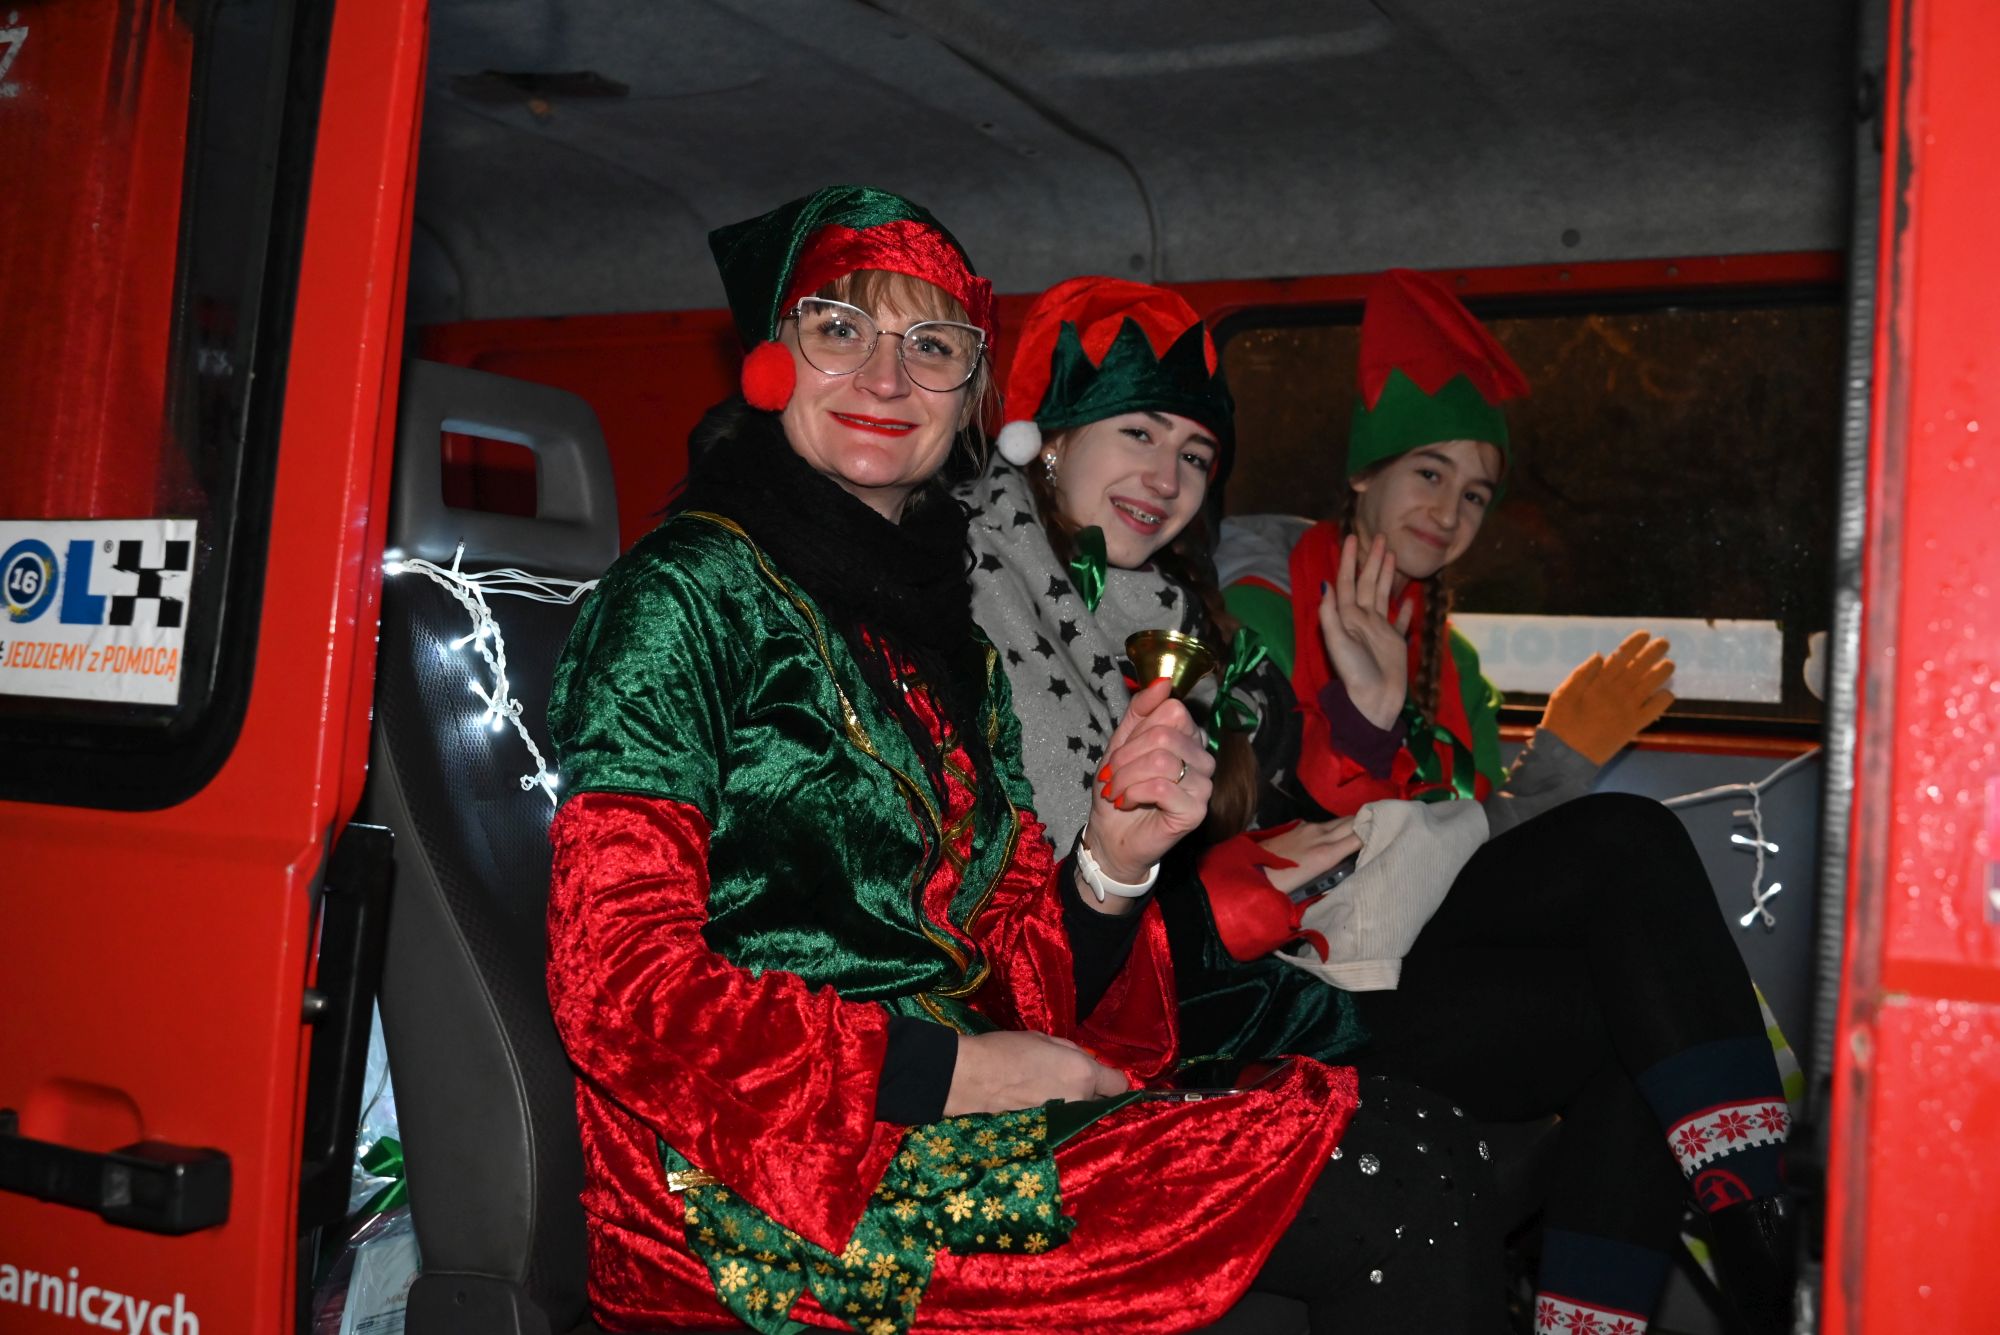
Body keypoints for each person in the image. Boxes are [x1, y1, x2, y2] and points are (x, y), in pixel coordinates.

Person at [543, 189, 1501, 1335]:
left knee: (1416, 1135)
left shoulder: (932, 634)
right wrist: (953, 1075)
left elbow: (998, 961)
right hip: (765, 1185)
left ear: (968, 399)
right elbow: (616, 986)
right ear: (771, 358)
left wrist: (1109, 864)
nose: (886, 379)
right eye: (841, 330)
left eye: (931, 347)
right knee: (1396, 1186)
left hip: (942, 1127)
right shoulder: (683, 597)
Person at [1212, 268, 1799, 1334]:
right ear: (1365, 477)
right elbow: (1270, 830)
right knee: (1627, 836)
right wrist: (1387, 735)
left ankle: (1612, 1308)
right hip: (1302, 984)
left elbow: (1471, 862)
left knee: (1640, 1023)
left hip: (1415, 958)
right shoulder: (1261, 605)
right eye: (1428, 474)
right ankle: (1762, 1232)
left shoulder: (1458, 665)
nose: (1448, 512)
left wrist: (1545, 768)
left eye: (1476, 493)